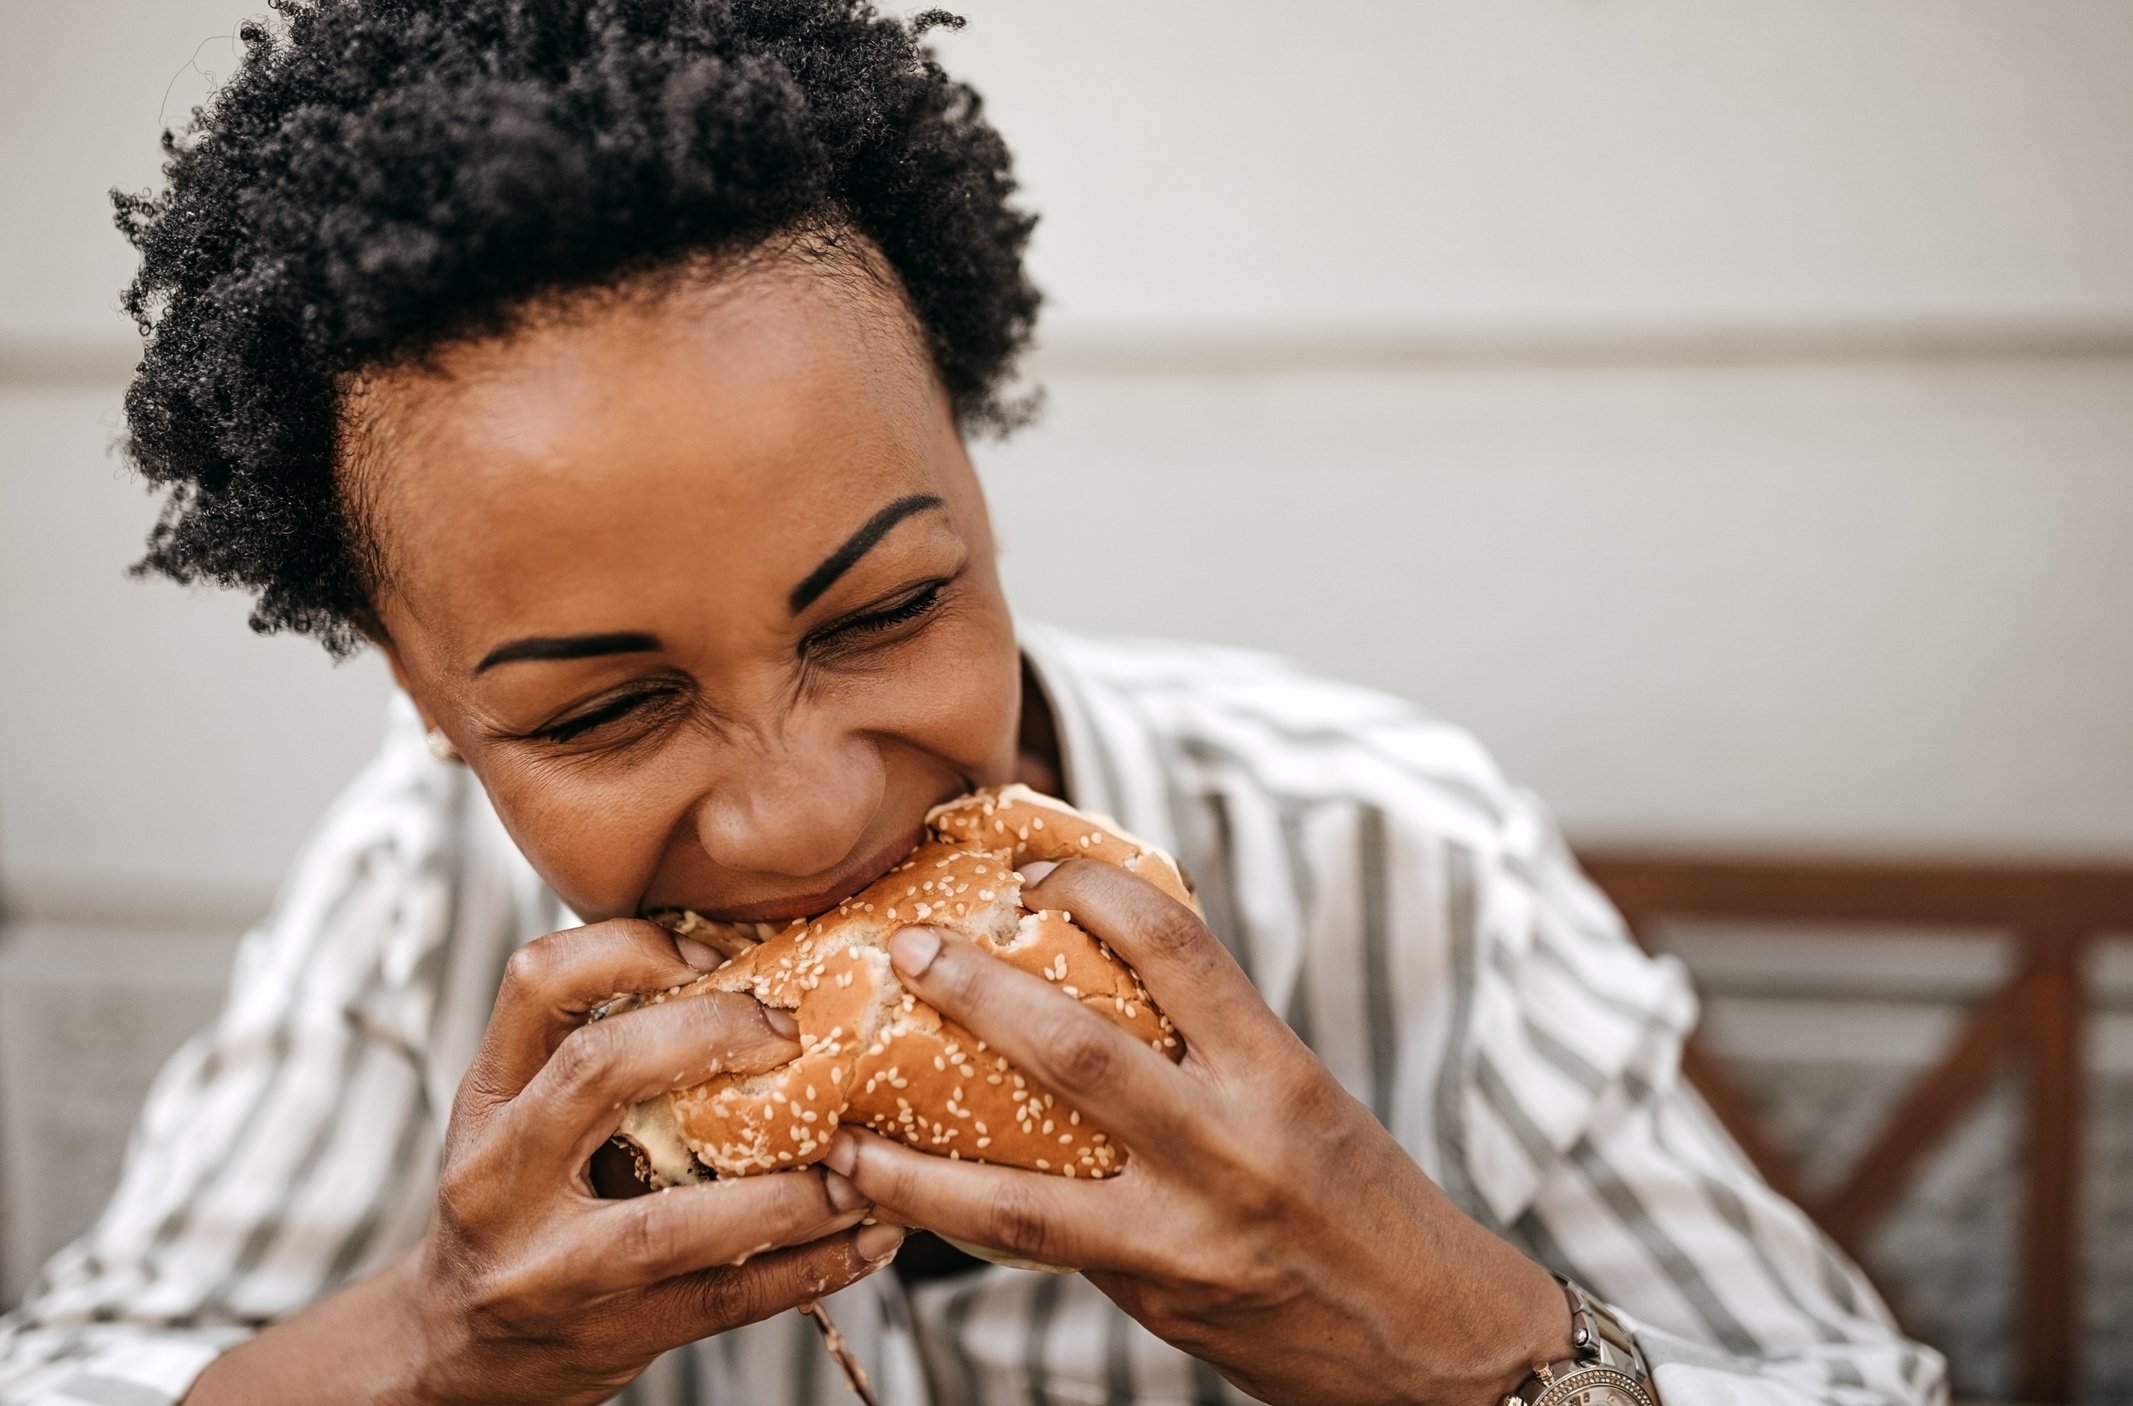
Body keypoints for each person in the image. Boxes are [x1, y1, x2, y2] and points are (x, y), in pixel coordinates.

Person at [0, 2, 1946, 1403]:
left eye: (883, 611)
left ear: (981, 488)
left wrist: (1470, 1349)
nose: (792, 816)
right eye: (603, 713)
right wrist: (433, 1341)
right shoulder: (414, 889)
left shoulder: (1385, 847)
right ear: (425, 698)